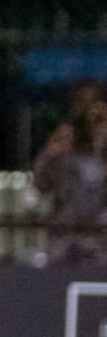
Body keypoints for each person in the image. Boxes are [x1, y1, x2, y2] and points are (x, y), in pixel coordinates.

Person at [33, 80, 107, 266]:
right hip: (63, 245)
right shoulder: (63, 143)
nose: (86, 111)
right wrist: (51, 155)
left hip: (98, 248)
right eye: (81, 102)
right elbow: (41, 185)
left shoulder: (104, 146)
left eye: (92, 104)